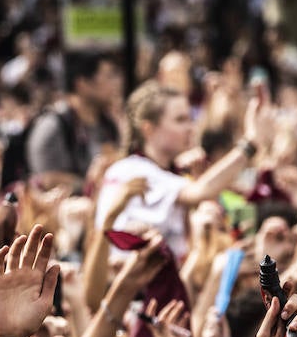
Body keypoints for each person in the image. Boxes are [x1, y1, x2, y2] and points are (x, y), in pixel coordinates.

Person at [96, 79, 272, 256]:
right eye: (180, 120)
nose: (190, 127)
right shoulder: (132, 169)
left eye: (190, 119)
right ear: (148, 129)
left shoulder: (166, 171)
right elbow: (200, 191)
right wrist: (250, 143)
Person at [22, 52, 122, 187]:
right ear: (83, 84)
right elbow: (46, 181)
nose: (117, 83)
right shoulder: (53, 126)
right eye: (109, 76)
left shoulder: (108, 124)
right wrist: (90, 185)